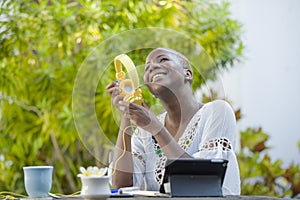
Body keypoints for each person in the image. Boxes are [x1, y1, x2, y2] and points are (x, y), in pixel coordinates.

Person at [106, 48, 241, 195]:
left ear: (187, 74)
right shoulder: (145, 132)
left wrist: (156, 129)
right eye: (147, 68)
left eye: (163, 60)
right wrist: (126, 114)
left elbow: (201, 181)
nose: (152, 67)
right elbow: (120, 184)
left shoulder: (217, 111)